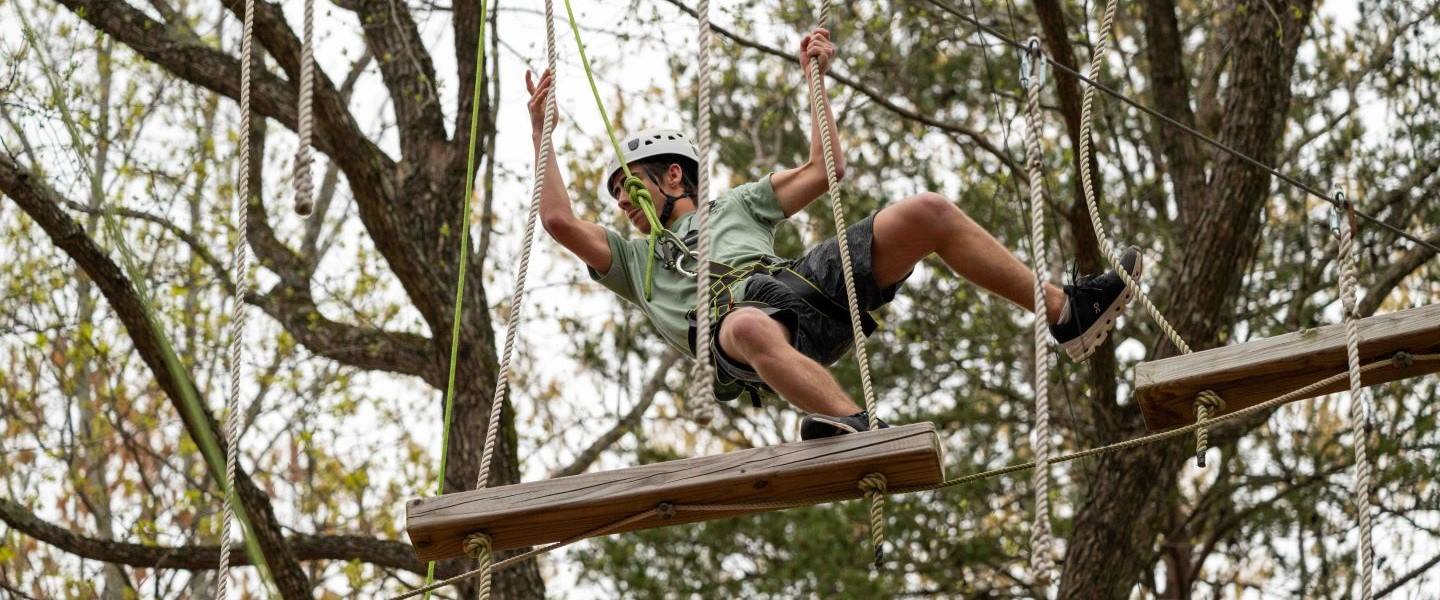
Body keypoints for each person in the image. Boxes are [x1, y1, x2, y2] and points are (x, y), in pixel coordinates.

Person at [524, 28, 1141, 440]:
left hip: (803, 287)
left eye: (631, 190)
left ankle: (1066, 311)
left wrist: (813, 78)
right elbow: (559, 221)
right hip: (744, 334)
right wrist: (541, 134)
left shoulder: (736, 205)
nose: (624, 208)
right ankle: (851, 424)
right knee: (741, 324)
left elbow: (826, 171)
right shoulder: (634, 261)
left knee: (926, 211)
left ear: (674, 176)